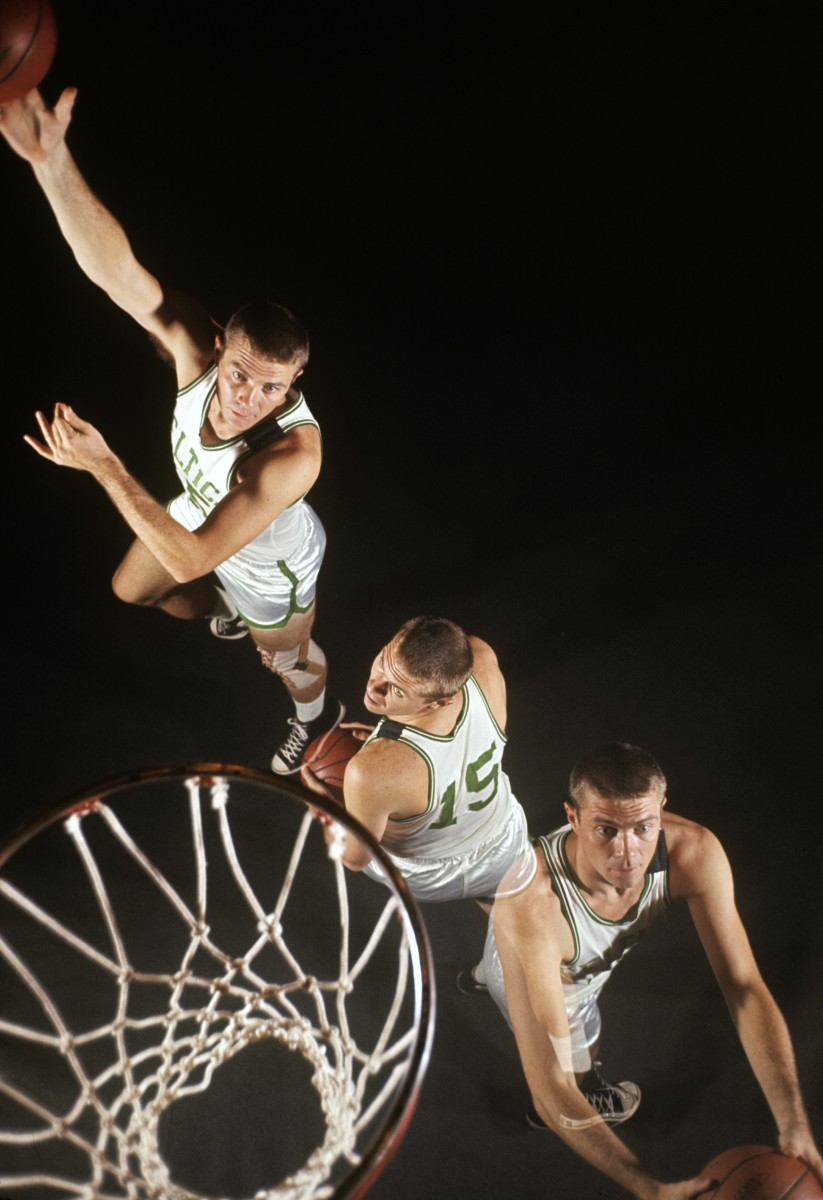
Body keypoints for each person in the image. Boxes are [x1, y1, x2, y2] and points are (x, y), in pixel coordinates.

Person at [2, 86, 342, 773]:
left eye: (272, 387)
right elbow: (114, 272)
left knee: (285, 656)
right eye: (242, 375)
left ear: (291, 387)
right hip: (204, 515)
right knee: (133, 590)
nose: (250, 397)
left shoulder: (290, 457)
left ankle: (315, 717)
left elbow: (190, 559)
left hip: (268, 561)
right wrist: (49, 160)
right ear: (220, 348)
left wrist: (104, 466)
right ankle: (227, 613)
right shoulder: (192, 344)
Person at [464, 741, 822, 1200]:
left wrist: (793, 1121)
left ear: (661, 809)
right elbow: (549, 1089)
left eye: (643, 827)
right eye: (607, 830)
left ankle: (481, 969)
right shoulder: (535, 906)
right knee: (573, 1049)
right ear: (572, 818)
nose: (629, 853)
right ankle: (508, 989)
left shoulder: (693, 852)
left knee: (517, 954)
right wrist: (647, 1186)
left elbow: (744, 987)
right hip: (553, 964)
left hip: (545, 944)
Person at [301, 615, 534, 904]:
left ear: (439, 702)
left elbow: (354, 859)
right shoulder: (481, 657)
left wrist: (328, 812)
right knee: (512, 914)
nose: (375, 688)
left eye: (398, 690)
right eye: (383, 664)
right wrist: (391, 743)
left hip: (429, 876)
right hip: (504, 837)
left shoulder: (369, 772)